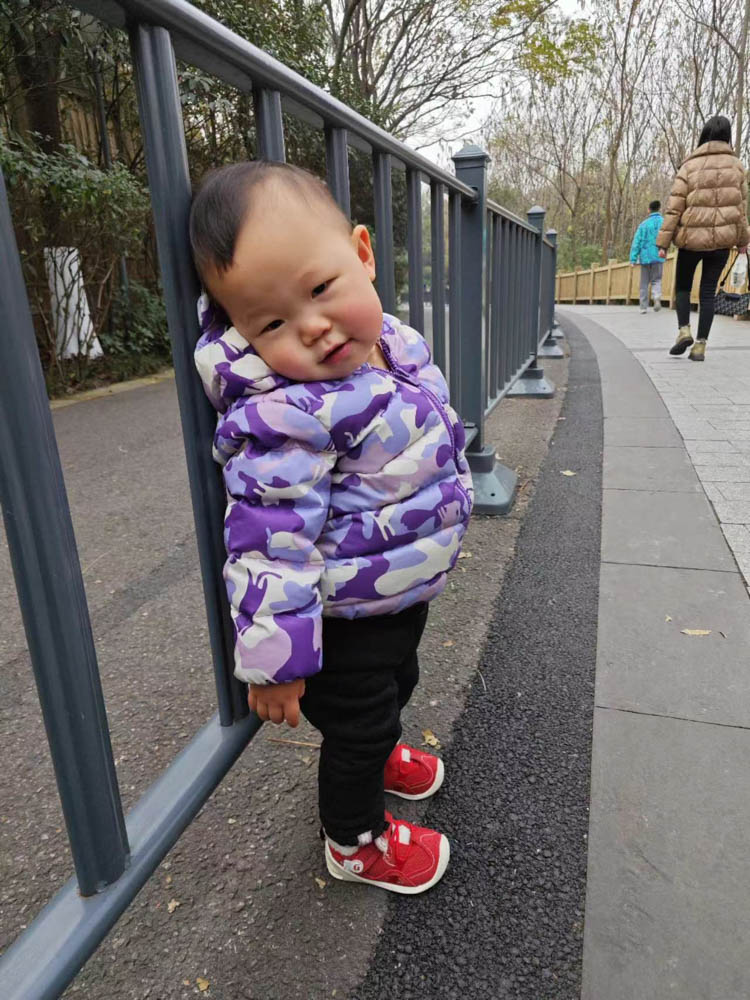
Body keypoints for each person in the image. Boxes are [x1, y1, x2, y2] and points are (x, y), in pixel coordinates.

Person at [189, 161, 473, 894]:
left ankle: (379, 754)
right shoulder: (286, 416)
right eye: (272, 324)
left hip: (394, 591)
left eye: (319, 289)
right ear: (246, 336)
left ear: (362, 253)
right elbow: (269, 540)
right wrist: (278, 660)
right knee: (358, 723)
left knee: (399, 682)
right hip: (341, 619)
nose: (312, 328)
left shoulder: (395, 347)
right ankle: (354, 842)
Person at [656, 115, 750, 361]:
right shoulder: (737, 167)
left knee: (683, 287)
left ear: (704, 135)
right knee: (708, 292)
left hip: (690, 240)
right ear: (727, 136)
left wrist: (663, 243)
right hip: (721, 243)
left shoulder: (689, 166)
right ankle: (700, 346)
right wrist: (743, 241)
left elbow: (675, 208)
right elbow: (740, 210)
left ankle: (684, 330)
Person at [630, 200, 664, 313]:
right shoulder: (664, 222)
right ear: (659, 209)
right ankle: (656, 296)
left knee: (644, 283)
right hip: (658, 255)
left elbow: (636, 242)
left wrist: (633, 259)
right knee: (657, 279)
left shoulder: (643, 224)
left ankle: (643, 307)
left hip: (645, 257)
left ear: (649, 210)